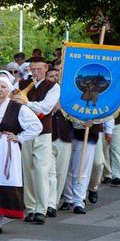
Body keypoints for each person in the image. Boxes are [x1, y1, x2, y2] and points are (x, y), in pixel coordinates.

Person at [0, 71, 43, 231]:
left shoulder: (17, 107)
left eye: (3, 87)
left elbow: (36, 126)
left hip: (7, 149)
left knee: (3, 179)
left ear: (8, 90)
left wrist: (19, 137)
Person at [17, 56, 60, 224]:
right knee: (27, 169)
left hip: (43, 132)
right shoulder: (21, 84)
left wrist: (26, 103)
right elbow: (13, 100)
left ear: (46, 69)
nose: (35, 72)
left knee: (42, 170)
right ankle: (30, 208)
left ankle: (41, 209)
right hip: (25, 131)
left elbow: (46, 107)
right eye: (32, 69)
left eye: (39, 69)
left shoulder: (53, 86)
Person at [64, 118, 114, 213]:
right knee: (67, 167)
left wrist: (108, 129)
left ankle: (79, 201)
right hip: (67, 130)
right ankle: (68, 198)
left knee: (84, 168)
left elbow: (106, 108)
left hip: (89, 132)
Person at [46, 66, 72, 216]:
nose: (55, 79)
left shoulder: (67, 96)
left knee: (61, 173)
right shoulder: (43, 94)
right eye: (51, 76)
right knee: (50, 171)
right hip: (48, 137)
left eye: (57, 76)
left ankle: (54, 201)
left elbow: (75, 118)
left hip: (64, 137)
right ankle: (49, 203)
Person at [103, 86, 120, 186]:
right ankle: (107, 173)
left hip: (118, 120)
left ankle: (117, 175)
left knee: (116, 148)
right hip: (101, 120)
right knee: (104, 148)